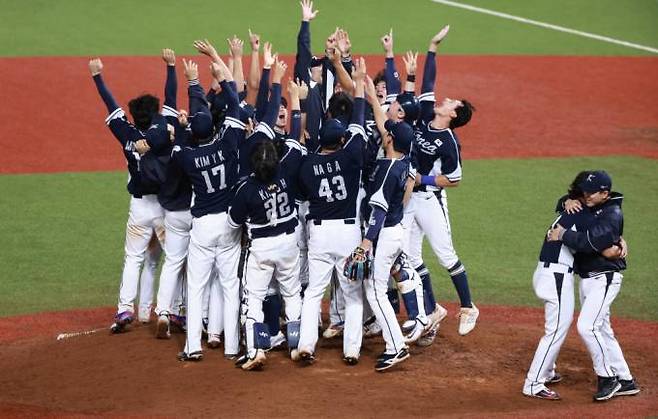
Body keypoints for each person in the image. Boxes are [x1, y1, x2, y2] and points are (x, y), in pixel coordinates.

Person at [403, 26, 478, 343]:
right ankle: (432, 310)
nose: (444, 99)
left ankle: (467, 306)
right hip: (410, 199)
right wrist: (432, 48)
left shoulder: (449, 141)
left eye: (451, 102)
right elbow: (428, 82)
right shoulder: (422, 117)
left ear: (454, 114)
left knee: (446, 255)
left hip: (431, 200)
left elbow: (455, 179)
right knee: (409, 256)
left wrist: (424, 178)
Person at [523, 171, 626, 400]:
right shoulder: (582, 214)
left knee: (556, 326)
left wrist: (617, 239)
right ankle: (534, 383)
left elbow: (593, 231)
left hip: (548, 272)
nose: (587, 195)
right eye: (585, 192)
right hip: (557, 275)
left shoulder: (570, 208)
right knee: (557, 330)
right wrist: (618, 243)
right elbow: (606, 248)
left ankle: (548, 371)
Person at [296, 58, 370, 365]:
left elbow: (302, 195)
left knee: (314, 292)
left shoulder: (308, 165)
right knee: (352, 295)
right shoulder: (352, 154)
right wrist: (360, 84)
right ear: (341, 140)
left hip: (320, 233)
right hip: (349, 232)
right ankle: (351, 351)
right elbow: (359, 121)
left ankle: (306, 346)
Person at [88, 57, 167, 333]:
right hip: (165, 208)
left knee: (134, 258)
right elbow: (167, 112)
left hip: (139, 209)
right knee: (168, 260)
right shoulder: (163, 132)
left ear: (134, 116)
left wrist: (98, 77)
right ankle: (164, 311)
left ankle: (125, 309)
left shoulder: (127, 134)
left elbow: (112, 106)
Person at [548, 170, 640, 401]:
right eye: (583, 192)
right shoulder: (590, 203)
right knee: (603, 330)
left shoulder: (612, 213)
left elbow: (593, 242)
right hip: (588, 277)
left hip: (604, 277)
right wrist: (566, 200)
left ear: (604, 193)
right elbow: (566, 205)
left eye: (590, 193)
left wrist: (563, 235)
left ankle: (608, 378)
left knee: (587, 327)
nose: (584, 196)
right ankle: (626, 379)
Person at [174, 57, 243, 361]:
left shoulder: (187, 157)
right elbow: (237, 108)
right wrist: (223, 79)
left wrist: (186, 127)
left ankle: (193, 347)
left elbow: (181, 146)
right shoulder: (227, 143)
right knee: (230, 287)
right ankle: (231, 347)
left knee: (197, 287)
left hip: (202, 226)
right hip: (229, 224)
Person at [229, 133, 305, 371]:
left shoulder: (246, 189)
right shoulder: (287, 169)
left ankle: (256, 349)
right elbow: (294, 142)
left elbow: (233, 222)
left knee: (254, 298)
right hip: (289, 244)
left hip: (261, 248)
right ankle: (296, 345)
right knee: (292, 294)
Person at [357, 76, 415, 371]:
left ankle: (396, 346)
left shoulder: (387, 170)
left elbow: (377, 211)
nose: (384, 133)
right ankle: (397, 342)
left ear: (390, 141)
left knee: (375, 290)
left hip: (385, 233)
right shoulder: (402, 163)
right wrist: (370, 95)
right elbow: (384, 125)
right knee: (374, 286)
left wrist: (365, 244)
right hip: (396, 231)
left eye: (388, 133)